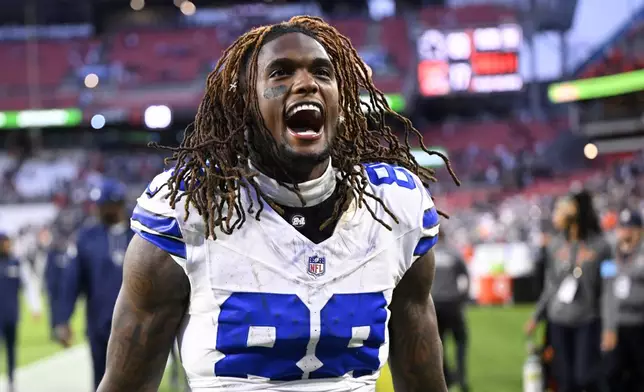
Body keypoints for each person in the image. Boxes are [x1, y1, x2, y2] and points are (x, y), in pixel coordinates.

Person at [97, 16, 459, 392]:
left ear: (342, 98)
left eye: (322, 72)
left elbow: (424, 382)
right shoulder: (188, 211)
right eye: (281, 73)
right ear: (246, 105)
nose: (306, 84)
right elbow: (126, 384)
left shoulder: (393, 207)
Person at [524, 190, 612, 392]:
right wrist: (536, 317)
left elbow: (608, 289)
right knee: (564, 380)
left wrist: (609, 327)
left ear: (579, 209)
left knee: (586, 376)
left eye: (564, 206)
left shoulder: (602, 246)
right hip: (558, 321)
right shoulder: (554, 246)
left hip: (587, 320)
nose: (559, 212)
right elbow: (550, 286)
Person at [53, 178, 133, 390]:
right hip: (99, 323)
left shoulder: (140, 233)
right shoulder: (87, 237)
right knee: (101, 382)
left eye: (102, 205)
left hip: (138, 323)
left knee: (138, 381)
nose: (96, 210)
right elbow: (72, 282)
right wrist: (63, 319)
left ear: (117, 205)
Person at [602, 208, 644, 392]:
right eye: (624, 227)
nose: (627, 231)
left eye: (632, 228)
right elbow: (607, 290)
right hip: (617, 324)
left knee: (640, 375)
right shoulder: (611, 254)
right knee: (613, 374)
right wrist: (608, 327)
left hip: (640, 324)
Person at [0, 233, 42, 392]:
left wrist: (35, 307)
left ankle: (11, 379)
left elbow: (29, 286)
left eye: (7, 243)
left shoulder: (17, 263)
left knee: (11, 349)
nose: (6, 246)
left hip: (11, 314)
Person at [431, 233, 470, 392]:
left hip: (435, 305)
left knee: (439, 343)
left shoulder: (429, 254)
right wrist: (463, 298)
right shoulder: (454, 253)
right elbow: (465, 277)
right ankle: (461, 378)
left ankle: (446, 377)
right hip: (453, 304)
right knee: (461, 341)